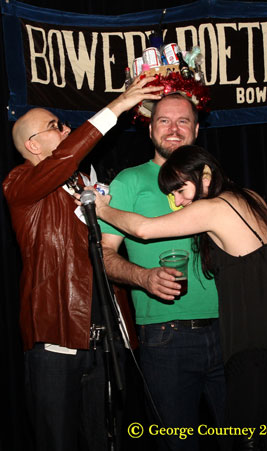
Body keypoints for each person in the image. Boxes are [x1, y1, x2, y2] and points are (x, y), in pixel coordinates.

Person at [97, 93, 267, 451]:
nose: (178, 199)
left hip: (234, 335)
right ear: (149, 128)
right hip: (169, 338)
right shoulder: (129, 181)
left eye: (183, 121)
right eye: (164, 121)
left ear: (197, 130)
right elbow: (104, 255)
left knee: (246, 436)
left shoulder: (219, 199)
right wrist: (143, 278)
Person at [2, 76, 162, 451]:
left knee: (108, 440)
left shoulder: (83, 183)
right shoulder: (19, 184)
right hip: (57, 339)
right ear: (33, 144)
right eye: (56, 127)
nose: (67, 129)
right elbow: (65, 157)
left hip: (107, 342)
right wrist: (118, 105)